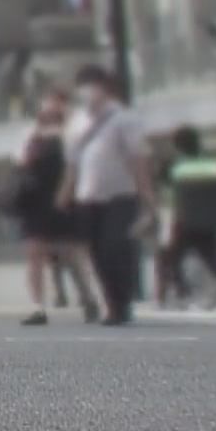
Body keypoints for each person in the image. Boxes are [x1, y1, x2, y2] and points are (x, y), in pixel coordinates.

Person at [58, 66, 155, 327]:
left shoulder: (124, 118)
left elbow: (138, 159)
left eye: (92, 85)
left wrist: (147, 196)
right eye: (83, 85)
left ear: (105, 87)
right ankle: (113, 304)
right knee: (96, 252)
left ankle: (121, 301)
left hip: (121, 194)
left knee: (115, 246)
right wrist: (64, 194)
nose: (88, 91)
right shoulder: (76, 122)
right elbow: (72, 164)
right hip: (87, 196)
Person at [8, 91, 100, 325]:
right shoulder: (30, 134)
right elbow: (19, 162)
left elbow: (80, 159)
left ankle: (88, 297)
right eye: (47, 105)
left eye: (57, 105)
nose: (51, 109)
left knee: (71, 253)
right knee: (35, 253)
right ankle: (38, 306)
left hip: (64, 197)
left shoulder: (74, 130)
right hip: (36, 199)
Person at [159, 126, 216, 308]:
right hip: (210, 223)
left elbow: (167, 196)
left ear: (177, 146)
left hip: (183, 222)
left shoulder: (174, 167)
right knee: (214, 261)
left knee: (170, 257)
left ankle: (180, 293)